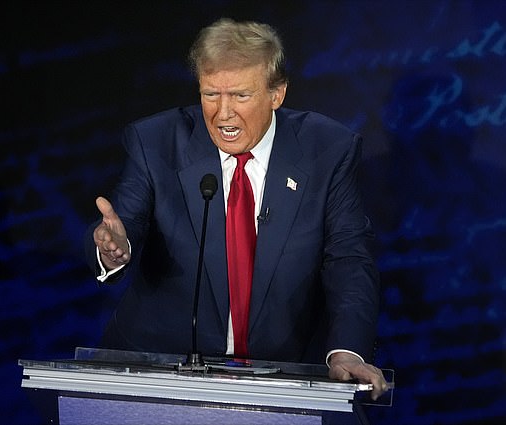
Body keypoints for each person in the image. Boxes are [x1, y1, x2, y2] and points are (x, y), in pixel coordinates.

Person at [85, 18, 388, 400]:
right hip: (157, 370)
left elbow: (349, 260)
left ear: (276, 94)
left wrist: (346, 350)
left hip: (276, 379)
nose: (222, 113)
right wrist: (113, 249)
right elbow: (122, 222)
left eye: (240, 96)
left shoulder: (327, 152)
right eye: (211, 94)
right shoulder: (157, 142)